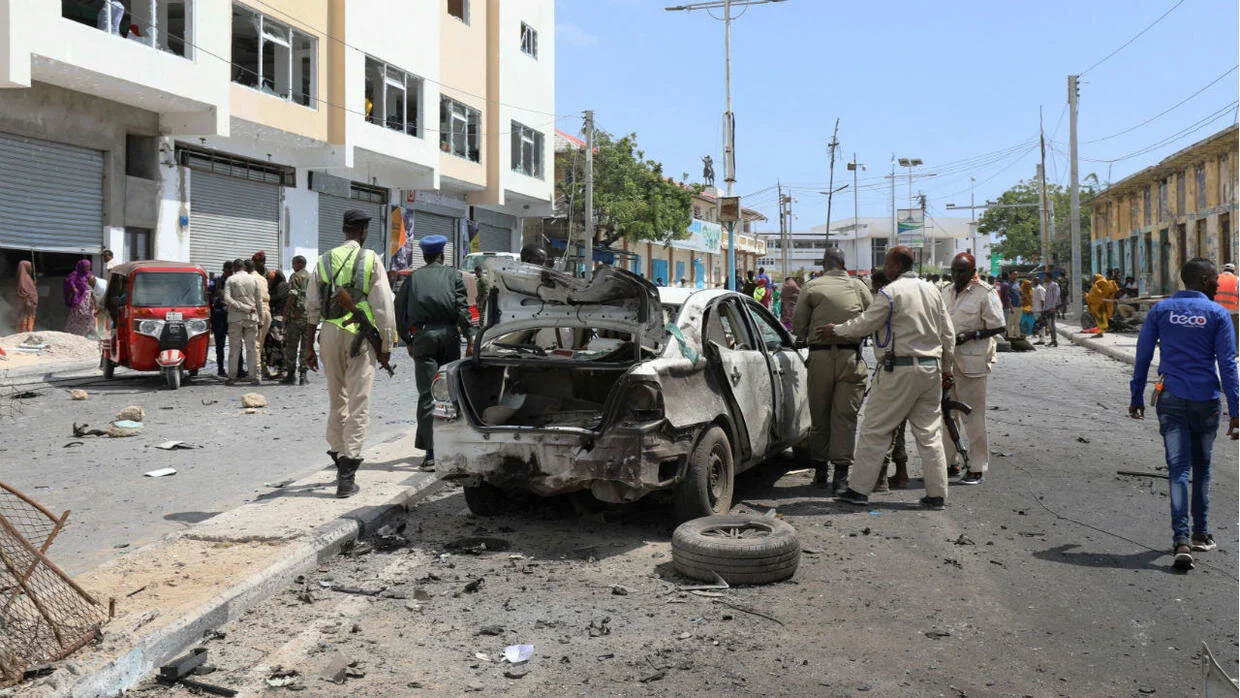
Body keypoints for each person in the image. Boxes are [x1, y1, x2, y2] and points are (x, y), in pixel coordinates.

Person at [819, 245, 955, 510]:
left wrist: (836, 330)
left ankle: (858, 490)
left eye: (888, 264)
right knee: (929, 435)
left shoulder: (890, 292)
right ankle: (937, 494)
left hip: (899, 370)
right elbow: (948, 335)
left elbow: (865, 323)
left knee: (875, 429)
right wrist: (947, 369)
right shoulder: (932, 291)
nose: (885, 268)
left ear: (896, 265)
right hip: (931, 368)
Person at [1129, 258, 1239, 571]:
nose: (1218, 284)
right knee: (1202, 467)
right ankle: (1201, 534)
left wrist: (1136, 395)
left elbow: (1143, 354)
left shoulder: (1161, 310)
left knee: (1178, 470)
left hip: (1171, 398)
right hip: (1206, 400)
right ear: (1204, 280)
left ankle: (1181, 540)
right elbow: (1228, 364)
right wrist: (1236, 409)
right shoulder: (1217, 313)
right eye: (1215, 279)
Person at [304, 210, 397, 498]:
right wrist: (386, 345)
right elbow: (383, 307)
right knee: (359, 401)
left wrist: (307, 347)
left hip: (329, 333)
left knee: (337, 397)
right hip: (359, 335)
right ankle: (347, 473)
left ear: (344, 229)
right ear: (364, 230)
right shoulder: (371, 259)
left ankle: (338, 451)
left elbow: (312, 307)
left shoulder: (324, 260)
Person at [791, 248, 872, 493]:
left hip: (820, 358)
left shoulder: (811, 287)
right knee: (845, 417)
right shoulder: (859, 286)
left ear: (824, 264)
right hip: (851, 357)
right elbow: (874, 319)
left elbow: (798, 326)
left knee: (820, 415)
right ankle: (841, 477)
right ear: (844, 263)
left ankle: (820, 471)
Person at [396, 234, 472, 472]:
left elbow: (399, 308)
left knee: (428, 394)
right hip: (449, 336)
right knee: (449, 391)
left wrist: (407, 339)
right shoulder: (454, 276)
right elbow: (462, 309)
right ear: (442, 255)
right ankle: (450, 447)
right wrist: (470, 338)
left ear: (425, 256)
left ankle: (430, 454)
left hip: (423, 337)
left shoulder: (413, 278)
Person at [942, 252, 1005, 485]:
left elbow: (999, 326)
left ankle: (976, 467)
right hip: (946, 362)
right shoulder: (946, 291)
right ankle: (950, 462)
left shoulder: (985, 293)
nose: (956, 275)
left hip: (971, 363)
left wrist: (973, 334)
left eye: (961, 271)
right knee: (946, 415)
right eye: (953, 271)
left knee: (973, 417)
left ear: (972, 271)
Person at [223, 259, 264, 386]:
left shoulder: (230, 280)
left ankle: (232, 377)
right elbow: (259, 301)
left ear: (234, 268)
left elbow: (227, 298)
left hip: (235, 318)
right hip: (251, 318)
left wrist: (242, 307)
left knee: (234, 349)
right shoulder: (254, 280)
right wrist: (261, 319)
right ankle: (254, 377)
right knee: (251, 348)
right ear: (244, 267)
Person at [281, 256, 311, 385]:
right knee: (305, 346)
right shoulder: (311, 277)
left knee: (291, 346)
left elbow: (292, 295)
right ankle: (303, 375)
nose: (292, 266)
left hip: (295, 317)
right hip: (308, 318)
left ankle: (291, 374)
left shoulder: (295, 277)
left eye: (293, 264)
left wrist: (285, 314)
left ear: (299, 264)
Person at [252, 252, 272, 376]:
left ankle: (262, 368)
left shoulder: (268, 275)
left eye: (262, 261)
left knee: (263, 342)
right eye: (257, 261)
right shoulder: (255, 274)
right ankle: (261, 368)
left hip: (266, 309)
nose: (260, 263)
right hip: (260, 309)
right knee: (259, 342)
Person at [63, 259, 95, 336]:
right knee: (78, 314)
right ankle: (74, 332)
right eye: (86, 266)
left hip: (88, 297)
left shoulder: (89, 273)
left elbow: (93, 282)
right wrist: (74, 288)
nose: (88, 268)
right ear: (82, 266)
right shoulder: (75, 274)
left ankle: (86, 332)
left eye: (89, 266)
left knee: (88, 314)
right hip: (80, 298)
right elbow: (69, 281)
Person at [212, 261, 233, 377]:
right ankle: (221, 369)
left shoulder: (235, 282)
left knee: (236, 343)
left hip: (232, 315)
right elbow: (210, 297)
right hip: (219, 317)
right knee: (220, 345)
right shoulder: (217, 282)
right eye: (227, 271)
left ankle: (238, 369)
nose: (228, 274)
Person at [1216, 262, 1238, 339]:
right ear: (1233, 271)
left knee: (1218, 334)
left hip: (1217, 312)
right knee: (1233, 334)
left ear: (1224, 270)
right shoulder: (1237, 280)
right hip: (1233, 312)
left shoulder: (1216, 278)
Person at [15, 260, 37, 332]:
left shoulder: (20, 278)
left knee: (23, 315)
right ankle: (29, 330)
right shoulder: (27, 277)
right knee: (30, 315)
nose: (31, 268)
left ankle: (23, 330)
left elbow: (21, 290)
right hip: (30, 301)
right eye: (30, 267)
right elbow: (31, 291)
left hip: (22, 302)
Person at [1041, 273, 1060, 347]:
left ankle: (1054, 340)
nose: (1044, 278)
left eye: (1045, 277)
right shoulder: (1047, 285)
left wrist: (1053, 306)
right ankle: (1052, 340)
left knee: (1052, 324)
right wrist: (1044, 308)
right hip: (1047, 308)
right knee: (1049, 324)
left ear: (1049, 277)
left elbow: (1056, 296)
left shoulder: (1054, 285)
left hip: (1051, 308)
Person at [1005, 271, 1023, 339]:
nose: (1016, 276)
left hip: (1019, 306)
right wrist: (1011, 307)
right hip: (1013, 306)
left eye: (1016, 274)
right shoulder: (1008, 284)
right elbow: (1008, 297)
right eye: (1014, 274)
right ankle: (1010, 336)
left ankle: (1017, 335)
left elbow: (1020, 293)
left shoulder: (1017, 283)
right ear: (1010, 275)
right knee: (1010, 323)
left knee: (1017, 323)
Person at [1030, 277, 1046, 344]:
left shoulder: (1040, 289)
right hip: (1036, 309)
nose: (1034, 281)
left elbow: (1042, 300)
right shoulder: (1035, 288)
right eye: (1034, 280)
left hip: (1039, 310)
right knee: (1039, 325)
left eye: (1036, 280)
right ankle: (1041, 339)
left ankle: (1042, 340)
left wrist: (1043, 310)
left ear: (1038, 281)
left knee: (1041, 325)